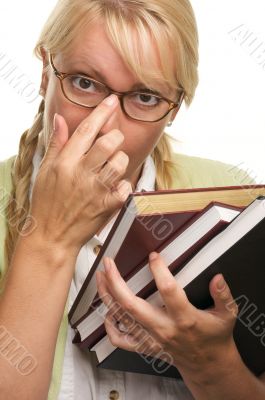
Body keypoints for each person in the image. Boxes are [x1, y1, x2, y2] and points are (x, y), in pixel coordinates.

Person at [0, 0, 264, 399]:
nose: (105, 122)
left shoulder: (232, 198)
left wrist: (211, 364)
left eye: (145, 96)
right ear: (44, 70)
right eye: (84, 83)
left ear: (175, 106)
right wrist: (48, 240)